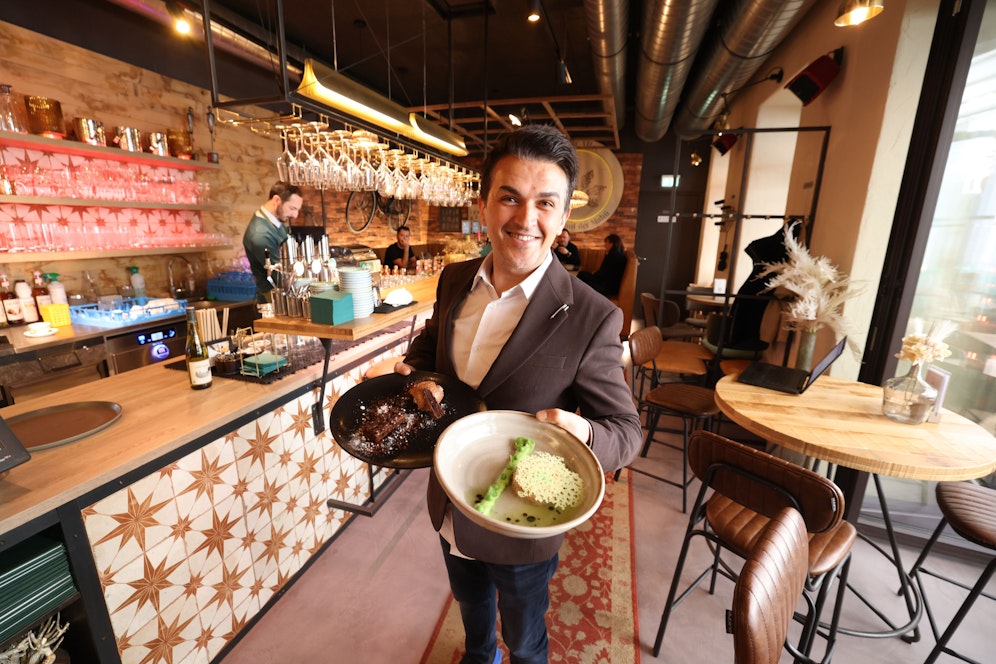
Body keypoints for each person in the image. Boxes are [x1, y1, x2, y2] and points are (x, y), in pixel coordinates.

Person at [398, 125, 642, 664]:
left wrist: (583, 432)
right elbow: (428, 345)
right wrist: (420, 375)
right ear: (484, 204)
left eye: (544, 203)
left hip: (523, 521)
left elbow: (627, 433)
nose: (524, 218)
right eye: (509, 197)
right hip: (448, 496)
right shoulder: (454, 279)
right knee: (471, 611)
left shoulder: (593, 315)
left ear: (561, 218)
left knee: (526, 639)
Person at [242, 181, 303, 303]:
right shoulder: (260, 234)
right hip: (274, 300)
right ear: (276, 200)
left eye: (297, 210)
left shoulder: (276, 222)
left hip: (284, 295)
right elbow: (281, 277)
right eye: (292, 208)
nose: (295, 215)